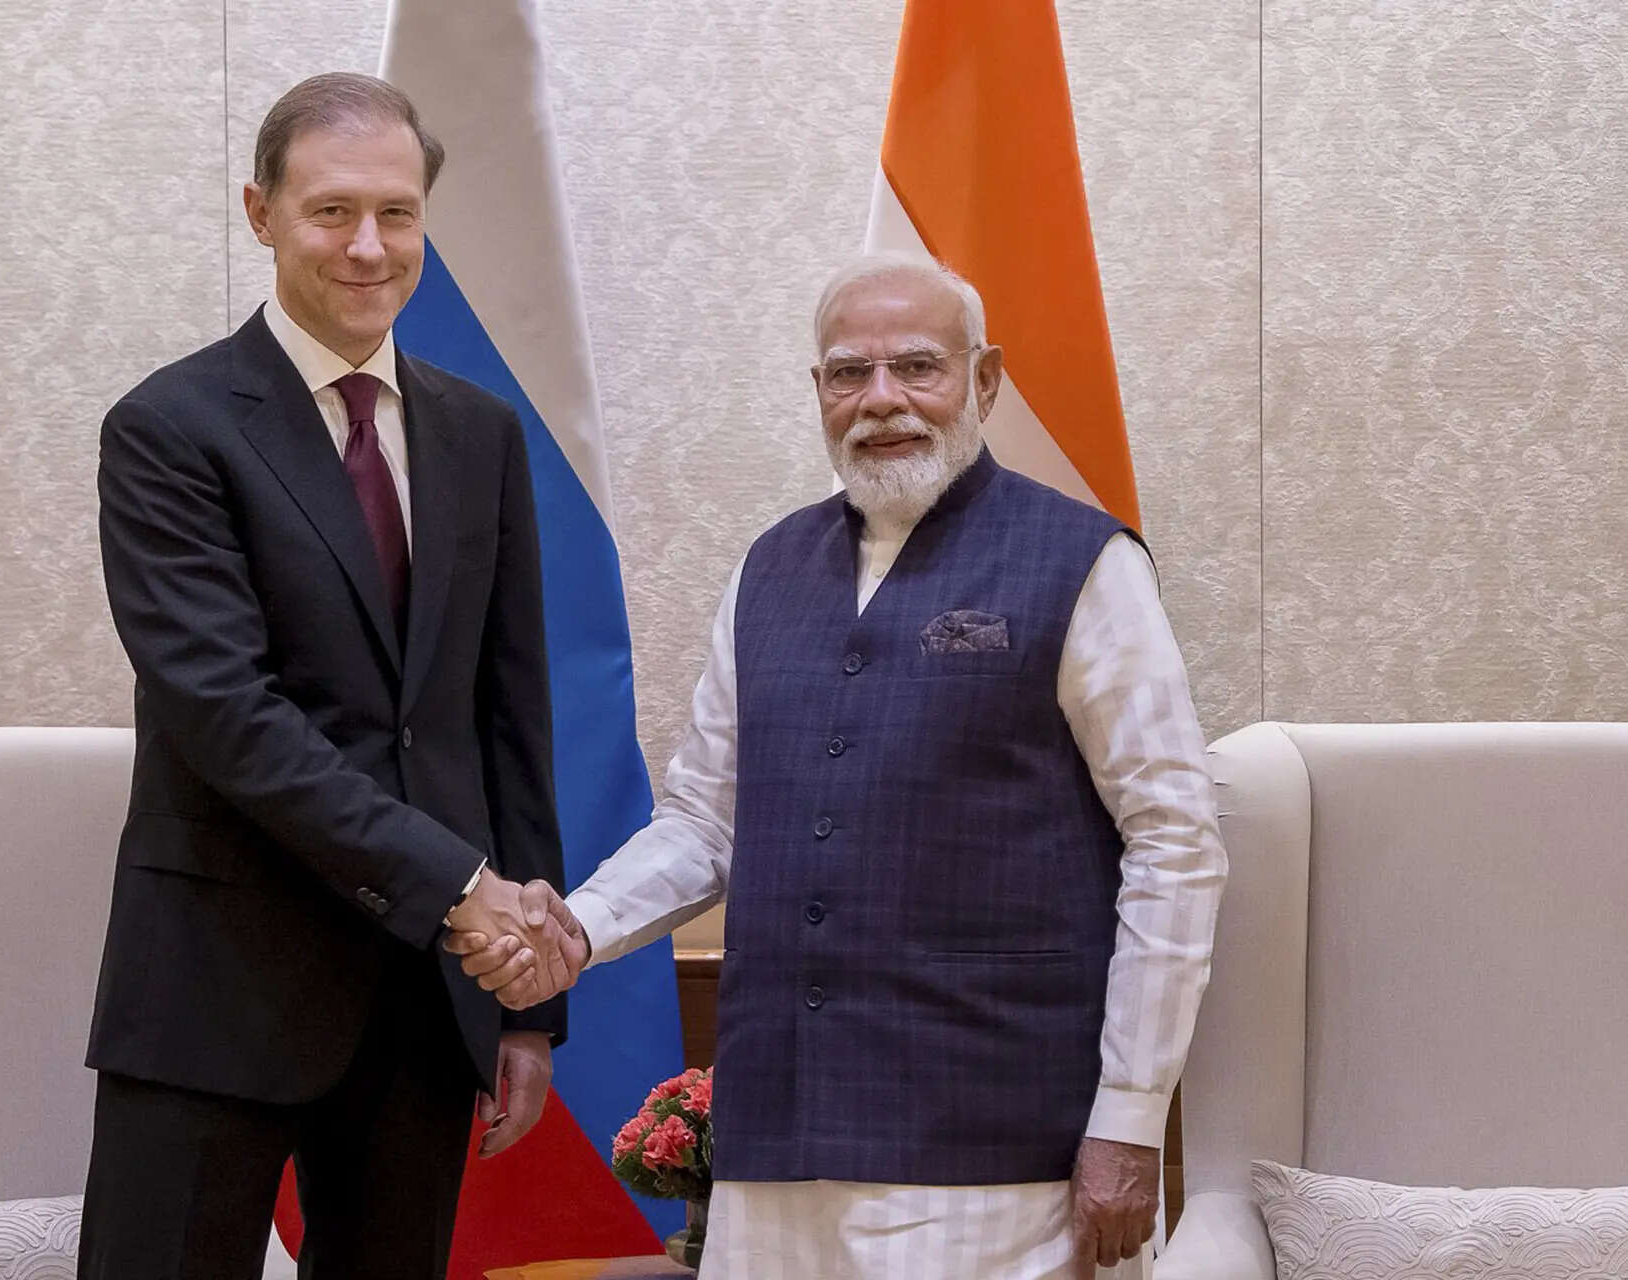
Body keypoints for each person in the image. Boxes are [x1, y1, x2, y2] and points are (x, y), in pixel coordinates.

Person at [452, 254, 1228, 1279]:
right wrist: (578, 928)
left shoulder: (1086, 564)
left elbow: (1174, 843)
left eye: (918, 366)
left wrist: (1129, 1118)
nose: (882, 399)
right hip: (777, 1143)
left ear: (986, 380)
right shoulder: (768, 568)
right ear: (818, 390)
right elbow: (705, 822)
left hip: (997, 1152)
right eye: (850, 373)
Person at [79, 72, 574, 1280]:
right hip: (215, 990)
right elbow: (229, 717)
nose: (369, 246)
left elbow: (508, 716)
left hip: (423, 1003)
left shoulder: (482, 432)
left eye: (397, 213)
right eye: (332, 210)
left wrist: (525, 1006)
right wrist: (459, 885)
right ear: (261, 212)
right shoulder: (169, 428)